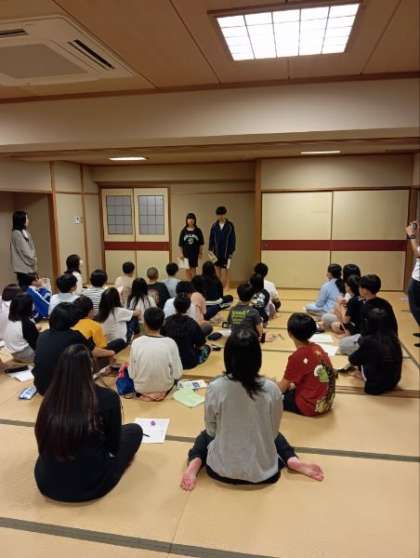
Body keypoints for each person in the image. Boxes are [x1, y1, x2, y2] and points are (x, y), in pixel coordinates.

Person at [181, 328, 323, 491]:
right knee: (277, 436)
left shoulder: (216, 387)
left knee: (204, 436)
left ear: (228, 357)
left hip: (220, 470)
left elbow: (211, 429)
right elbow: (273, 431)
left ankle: (195, 463)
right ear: (257, 357)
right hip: (264, 472)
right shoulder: (272, 389)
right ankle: (292, 460)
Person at [34, 344, 143, 502]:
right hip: (91, 485)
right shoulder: (107, 398)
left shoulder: (50, 396)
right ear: (91, 367)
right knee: (134, 431)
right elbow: (113, 447)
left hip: (47, 483)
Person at [278, 313, 335, 416]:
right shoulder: (317, 348)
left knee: (271, 395)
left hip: (309, 406)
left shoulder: (297, 357)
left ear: (290, 333)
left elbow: (282, 388)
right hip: (326, 401)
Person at [33, 302, 88, 395]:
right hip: (62, 391)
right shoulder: (75, 336)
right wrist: (111, 352)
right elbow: (93, 352)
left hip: (41, 386)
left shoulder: (43, 335)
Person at [129, 307, 183, 401]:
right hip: (165, 387)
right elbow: (177, 374)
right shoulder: (170, 343)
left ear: (144, 323)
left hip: (141, 388)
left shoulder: (136, 342)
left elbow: (131, 374)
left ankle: (147, 396)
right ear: (163, 323)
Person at [339, 274, 398, 356]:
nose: (358, 289)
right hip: (391, 343)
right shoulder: (385, 303)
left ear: (365, 290)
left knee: (343, 344)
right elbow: (394, 325)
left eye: (360, 287)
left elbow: (365, 334)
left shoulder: (366, 307)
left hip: (374, 344)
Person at [348, 308, 402, 395]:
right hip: (394, 381)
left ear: (369, 323)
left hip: (374, 386)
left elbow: (353, 359)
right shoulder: (393, 337)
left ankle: (362, 375)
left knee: (360, 355)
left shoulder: (369, 340)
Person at [162, 294, 210, 370]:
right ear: (188, 307)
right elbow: (200, 345)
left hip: (170, 361)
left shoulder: (166, 321)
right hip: (188, 362)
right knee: (207, 348)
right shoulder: (192, 323)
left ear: (174, 306)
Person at [3, 293, 39, 363]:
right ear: (27, 307)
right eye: (32, 303)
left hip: (14, 353)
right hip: (26, 355)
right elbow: (36, 344)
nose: (33, 305)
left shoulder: (11, 320)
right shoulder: (27, 324)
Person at [208, 206, 236, 288]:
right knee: (217, 270)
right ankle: (219, 285)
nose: (220, 216)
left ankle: (227, 285)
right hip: (216, 252)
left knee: (227, 269)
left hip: (227, 252)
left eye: (222, 214)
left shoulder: (230, 225)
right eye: (219, 214)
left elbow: (233, 239)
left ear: (225, 214)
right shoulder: (214, 225)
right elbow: (211, 238)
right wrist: (210, 249)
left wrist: (231, 251)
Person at [10, 210, 37, 286]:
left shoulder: (24, 232)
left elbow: (30, 248)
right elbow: (25, 251)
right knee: (28, 290)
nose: (28, 220)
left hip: (28, 268)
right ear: (21, 220)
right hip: (24, 269)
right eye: (26, 218)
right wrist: (33, 260)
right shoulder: (17, 233)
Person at [406, 221, 420, 347]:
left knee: (415, 307)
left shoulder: (414, 237)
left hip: (418, 280)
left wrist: (412, 235)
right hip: (417, 278)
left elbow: (417, 254)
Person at [178, 213, 204, 280]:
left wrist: (200, 253)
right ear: (186, 220)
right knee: (187, 269)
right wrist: (181, 254)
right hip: (186, 253)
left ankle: (194, 284)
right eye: (189, 219)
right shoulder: (183, 231)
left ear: (195, 220)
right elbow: (180, 244)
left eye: (192, 219)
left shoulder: (198, 230)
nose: (191, 220)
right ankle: (189, 283)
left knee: (193, 269)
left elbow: (201, 243)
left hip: (194, 253)